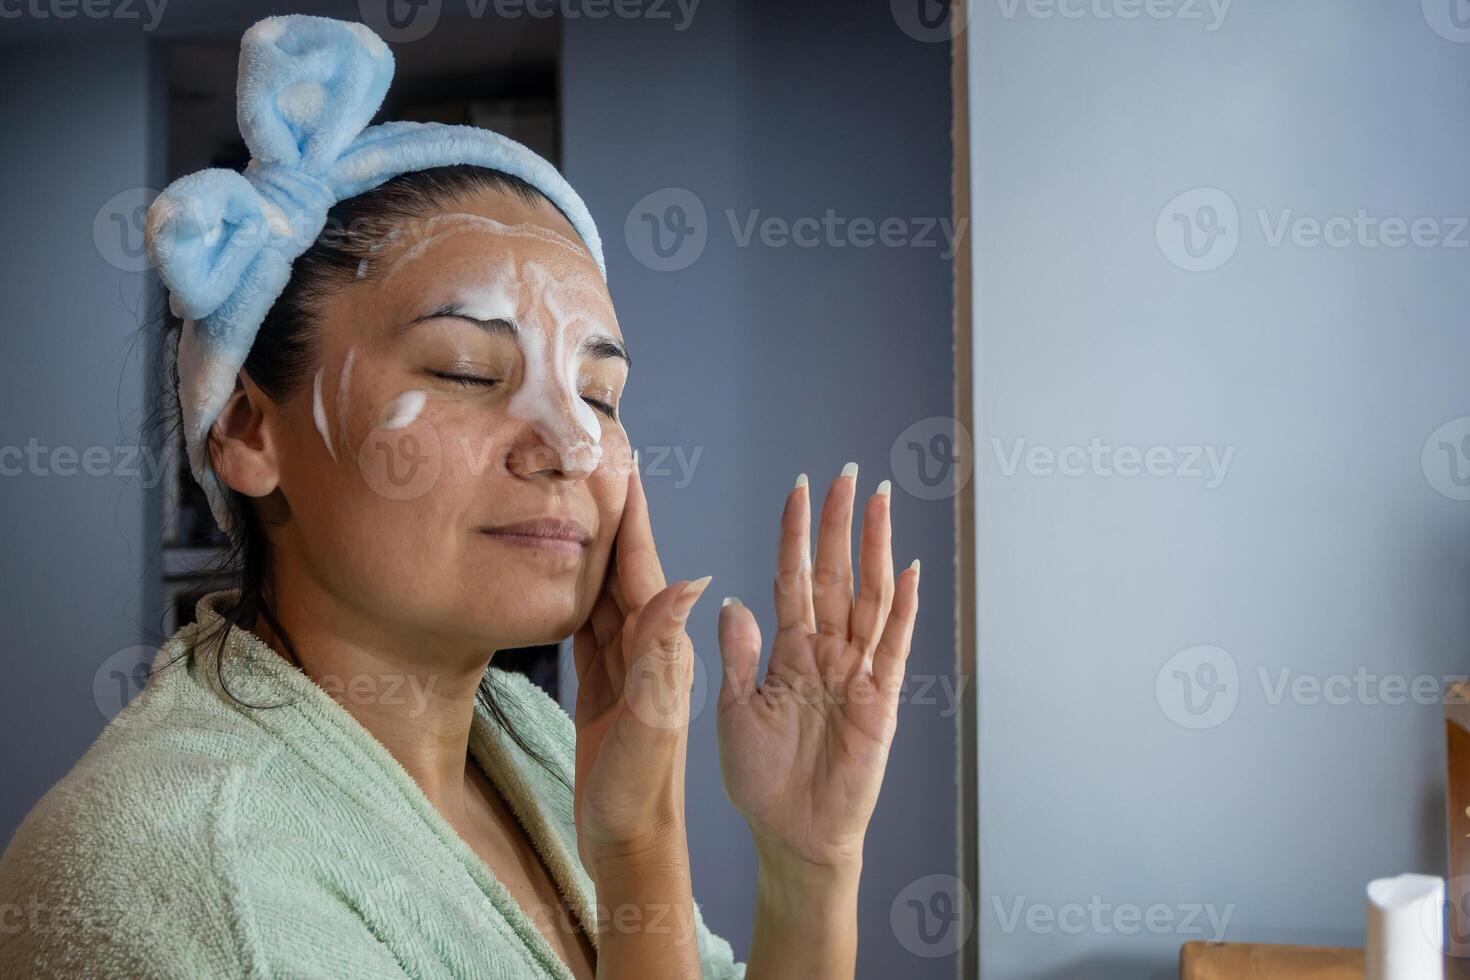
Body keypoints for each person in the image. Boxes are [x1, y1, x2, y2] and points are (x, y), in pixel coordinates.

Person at [0, 15, 920, 978]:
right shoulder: (194, 875)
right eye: (471, 373)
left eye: (600, 395)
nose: (571, 444)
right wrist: (641, 844)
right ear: (245, 430)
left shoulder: (530, 741)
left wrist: (807, 870)